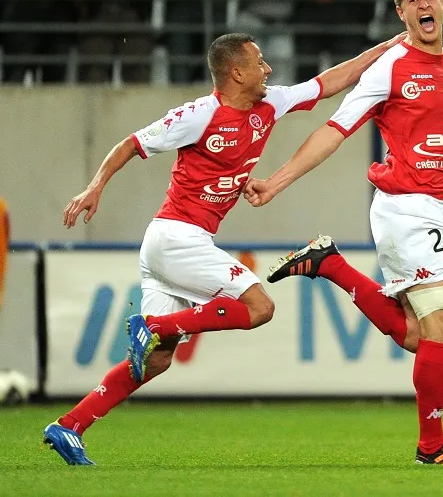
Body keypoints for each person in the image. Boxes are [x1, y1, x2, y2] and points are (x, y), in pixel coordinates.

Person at [42, 30, 405, 466]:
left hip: (170, 244)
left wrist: (385, 48)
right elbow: (132, 144)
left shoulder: (270, 103)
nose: (268, 69)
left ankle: (70, 426)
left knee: (156, 363)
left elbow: (329, 82)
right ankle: (152, 326)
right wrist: (94, 187)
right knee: (259, 308)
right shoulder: (199, 115)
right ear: (236, 72)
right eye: (259, 62)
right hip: (177, 237)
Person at [244, 0, 443, 466]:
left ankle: (329, 264)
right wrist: (277, 180)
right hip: (404, 207)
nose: (424, 5)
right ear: (401, 13)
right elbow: (335, 129)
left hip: (427, 209)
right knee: (441, 328)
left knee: (421, 335)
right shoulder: (392, 66)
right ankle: (432, 448)